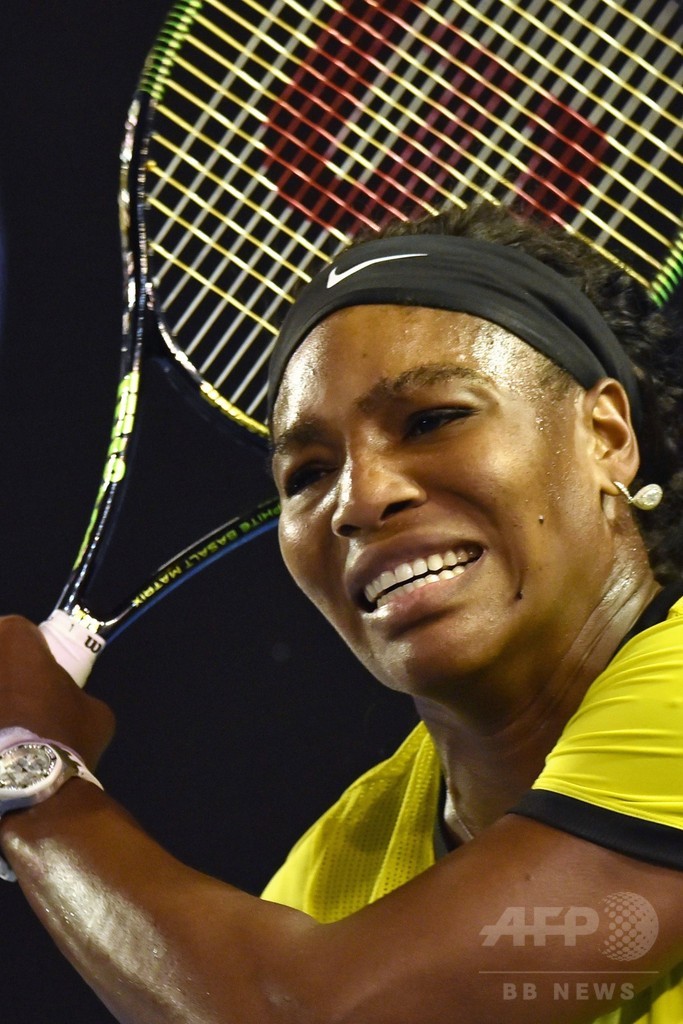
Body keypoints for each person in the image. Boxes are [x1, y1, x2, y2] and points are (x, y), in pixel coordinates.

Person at [0, 200, 682, 1024]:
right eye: (308, 474)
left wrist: (33, 778)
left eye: (432, 420)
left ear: (605, 436)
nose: (359, 500)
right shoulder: (330, 876)